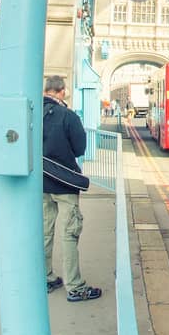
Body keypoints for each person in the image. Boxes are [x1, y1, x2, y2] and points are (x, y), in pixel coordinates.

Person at [42, 75, 101, 303]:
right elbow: (79, 148)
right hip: (64, 184)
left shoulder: (31, 112)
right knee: (69, 234)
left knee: (45, 232)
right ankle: (74, 286)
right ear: (62, 91)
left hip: (39, 183)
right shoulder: (68, 116)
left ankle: (45, 278)